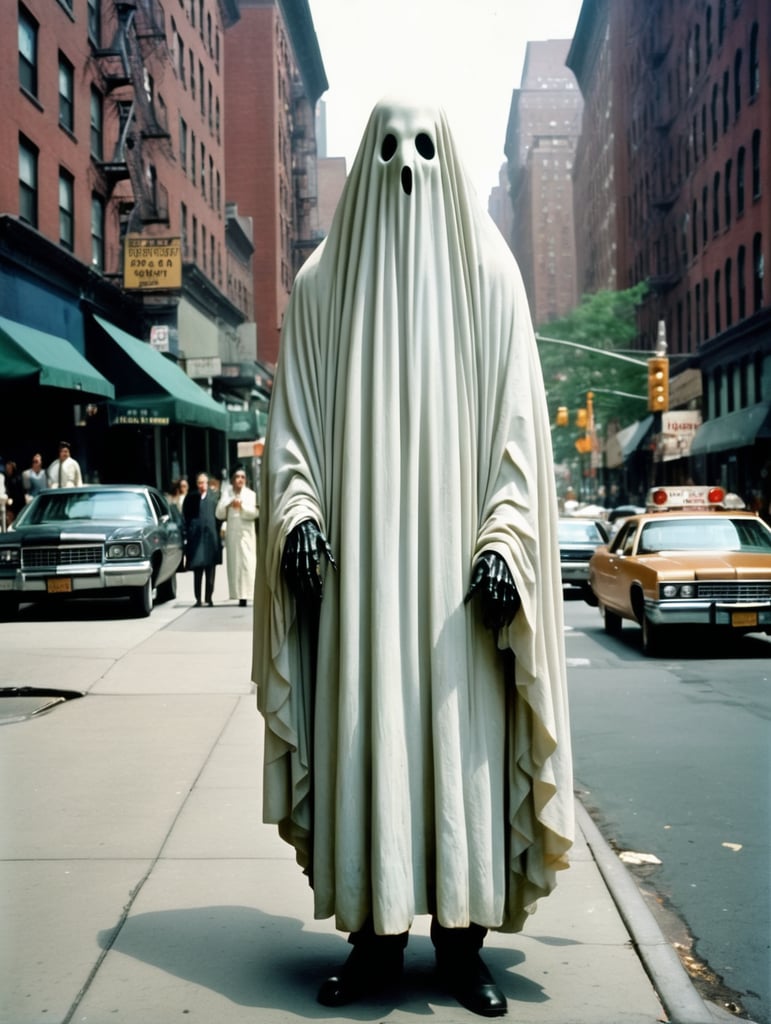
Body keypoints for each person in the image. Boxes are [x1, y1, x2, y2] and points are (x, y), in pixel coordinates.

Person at [253, 97, 572, 1018]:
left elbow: (519, 434)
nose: (406, 167)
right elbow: (292, 433)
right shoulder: (318, 289)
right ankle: (375, 940)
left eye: (425, 148)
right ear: (361, 165)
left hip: (459, 597)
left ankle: (461, 945)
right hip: (357, 588)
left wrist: (504, 536)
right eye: (388, 149)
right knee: (370, 742)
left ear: (451, 159)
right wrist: (300, 513)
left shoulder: (493, 280)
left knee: (460, 750)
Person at [215, 468, 258, 606]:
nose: (240, 480)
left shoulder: (251, 495)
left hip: (246, 535)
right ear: (233, 480)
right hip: (233, 536)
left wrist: (242, 507)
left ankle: (247, 595)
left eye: (242, 477)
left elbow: (256, 513)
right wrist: (229, 504)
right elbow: (219, 514)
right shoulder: (227, 494)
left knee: (247, 565)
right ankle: (238, 594)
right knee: (235, 565)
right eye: (237, 477)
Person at [182, 472, 221, 606]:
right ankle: (198, 598)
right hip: (196, 538)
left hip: (210, 537)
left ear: (207, 483)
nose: (201, 485)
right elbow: (186, 517)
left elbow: (219, 518)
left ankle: (209, 597)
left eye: (204, 482)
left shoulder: (214, 498)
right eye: (199, 483)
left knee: (210, 570)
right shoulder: (191, 498)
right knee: (198, 570)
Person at [2, 461, 26, 526]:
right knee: (10, 518)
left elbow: (21, 490)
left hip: (19, 502)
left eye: (9, 468)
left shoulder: (18, 477)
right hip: (10, 502)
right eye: (7, 468)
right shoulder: (5, 478)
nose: (8, 470)